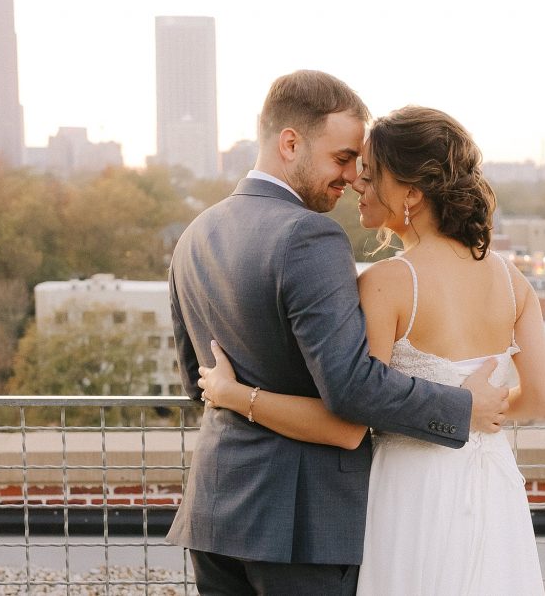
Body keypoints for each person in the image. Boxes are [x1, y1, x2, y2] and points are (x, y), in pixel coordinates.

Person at [165, 71, 509, 595]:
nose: (352, 177)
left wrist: (239, 396)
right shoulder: (309, 234)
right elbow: (350, 386)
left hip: (214, 513)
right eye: (343, 158)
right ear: (290, 143)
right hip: (301, 527)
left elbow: (198, 384)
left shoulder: (195, 234)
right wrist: (461, 407)